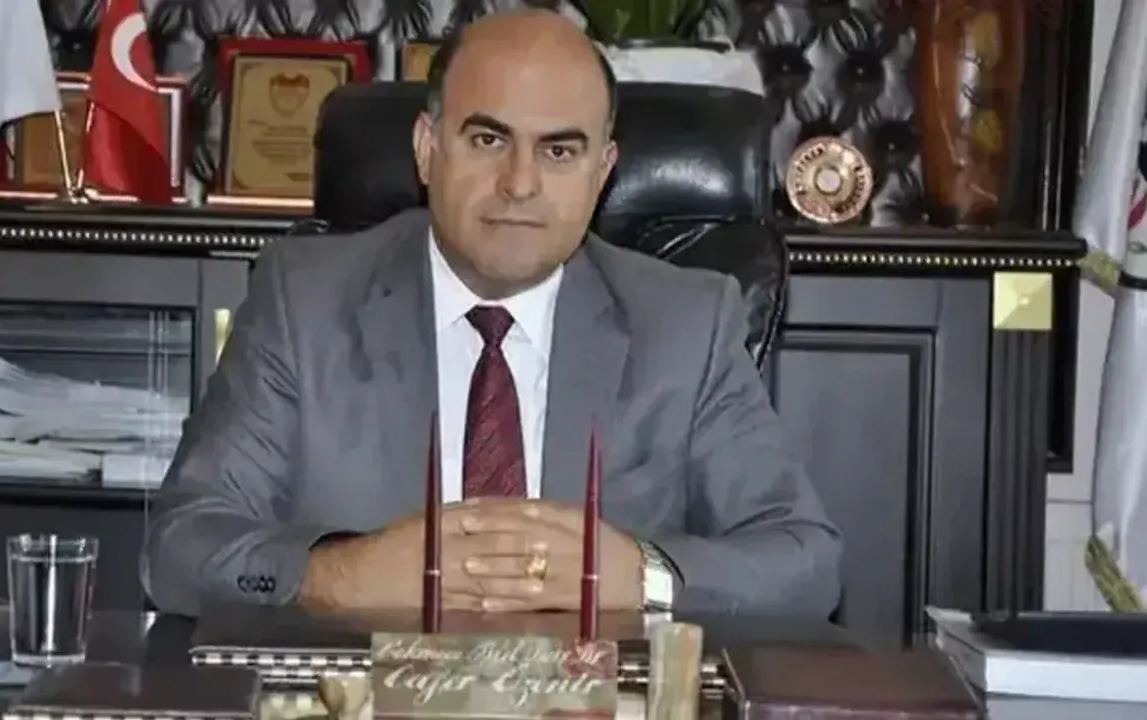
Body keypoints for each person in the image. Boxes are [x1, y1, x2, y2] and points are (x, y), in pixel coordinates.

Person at [141, 8, 842, 619]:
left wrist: (640, 577)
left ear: (602, 172)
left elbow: (805, 564)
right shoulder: (305, 301)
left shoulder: (687, 324)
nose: (520, 183)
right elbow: (178, 550)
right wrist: (343, 576)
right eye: (487, 140)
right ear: (427, 150)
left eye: (559, 150)